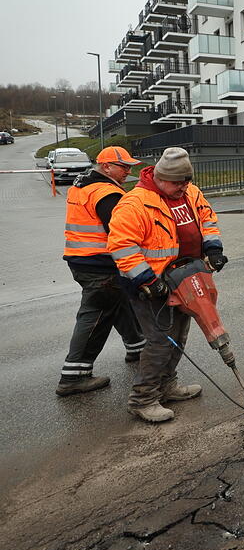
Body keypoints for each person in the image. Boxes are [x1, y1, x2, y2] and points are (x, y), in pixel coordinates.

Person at [108, 147, 227, 423]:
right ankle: (143, 398)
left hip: (185, 280)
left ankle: (167, 386)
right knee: (161, 341)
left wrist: (213, 248)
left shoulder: (191, 193)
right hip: (151, 286)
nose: (183, 187)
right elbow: (122, 246)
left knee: (178, 338)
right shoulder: (135, 203)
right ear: (160, 177)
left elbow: (207, 219)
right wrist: (147, 280)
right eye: (177, 183)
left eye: (186, 181)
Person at [57, 146, 147, 396]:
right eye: (124, 166)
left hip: (82, 260)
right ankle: (73, 376)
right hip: (99, 264)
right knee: (96, 315)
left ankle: (137, 346)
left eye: (130, 166)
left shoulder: (83, 184)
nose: (129, 171)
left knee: (117, 302)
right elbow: (122, 232)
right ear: (106, 166)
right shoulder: (107, 193)